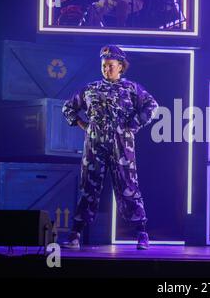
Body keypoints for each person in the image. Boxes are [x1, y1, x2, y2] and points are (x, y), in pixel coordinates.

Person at [61, 45, 158, 250]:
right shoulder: (90, 89)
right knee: (88, 188)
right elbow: (68, 108)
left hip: (122, 146)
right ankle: (75, 234)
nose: (106, 69)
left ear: (121, 66)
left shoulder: (132, 88)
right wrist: (84, 126)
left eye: (110, 66)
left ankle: (141, 232)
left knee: (128, 188)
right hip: (94, 146)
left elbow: (152, 106)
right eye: (104, 66)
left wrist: (134, 124)